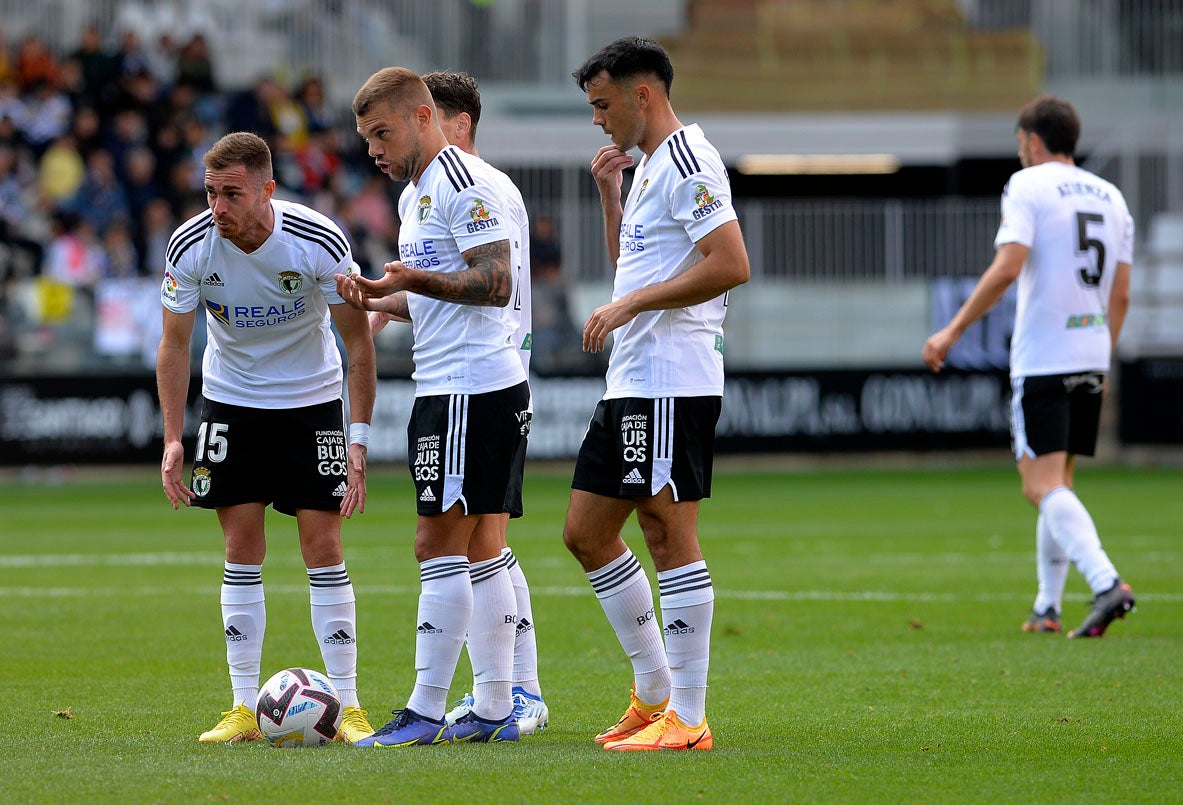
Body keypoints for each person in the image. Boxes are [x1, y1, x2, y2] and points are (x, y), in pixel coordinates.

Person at [156, 131, 377, 744]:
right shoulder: (190, 245)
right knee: (241, 545)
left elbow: (358, 342)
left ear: (267, 190)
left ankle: (350, 708)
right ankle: (242, 707)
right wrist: (175, 437)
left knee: (323, 546)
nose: (217, 207)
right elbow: (174, 344)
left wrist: (357, 438)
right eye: (210, 193)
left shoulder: (319, 240)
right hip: (232, 403)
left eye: (231, 194)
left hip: (311, 402)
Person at [563, 37, 750, 752]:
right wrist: (610, 193)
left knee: (669, 533)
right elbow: (631, 267)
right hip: (633, 379)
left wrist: (630, 305)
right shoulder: (647, 170)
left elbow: (730, 263)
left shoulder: (689, 159)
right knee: (585, 531)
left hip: (672, 377)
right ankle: (653, 694)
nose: (596, 119)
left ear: (643, 95)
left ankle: (689, 717)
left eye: (602, 104)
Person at [341, 66, 530, 747]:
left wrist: (411, 278)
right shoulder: (415, 194)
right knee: (481, 548)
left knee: (436, 543)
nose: (374, 151)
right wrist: (378, 297)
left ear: (423, 116)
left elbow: (495, 282)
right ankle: (492, 706)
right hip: (456, 385)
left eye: (382, 133)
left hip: (468, 388)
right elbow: (429, 296)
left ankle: (423, 711)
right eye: (366, 139)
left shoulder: (464, 182)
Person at [923, 95, 1136, 639]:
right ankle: (1048, 606)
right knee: (1059, 478)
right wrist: (1102, 352)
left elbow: (1007, 267)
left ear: (1034, 142)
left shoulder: (1029, 185)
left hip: (1044, 356)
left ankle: (1106, 581)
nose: (1021, 156)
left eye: (1021, 146)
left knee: (1039, 484)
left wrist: (953, 330)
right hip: (1091, 352)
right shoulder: (1112, 197)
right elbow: (1122, 293)